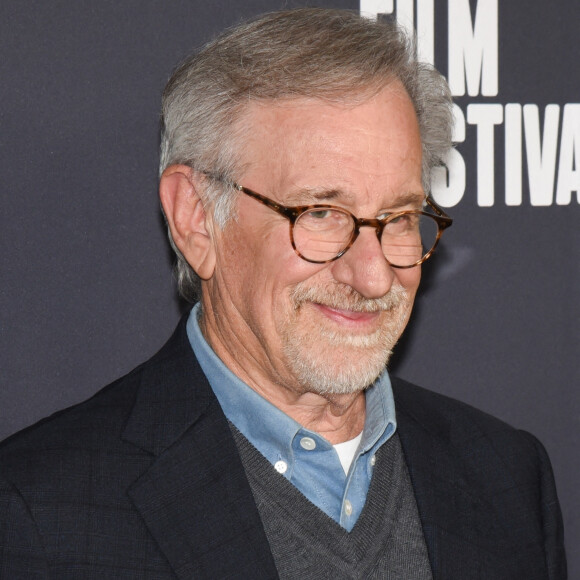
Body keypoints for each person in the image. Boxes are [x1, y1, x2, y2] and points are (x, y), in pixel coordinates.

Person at [0, 8, 566, 579]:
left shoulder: (507, 477)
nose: (373, 277)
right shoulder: (39, 513)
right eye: (321, 212)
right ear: (197, 219)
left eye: (397, 217)